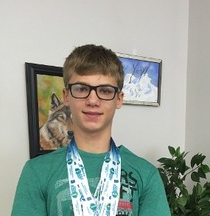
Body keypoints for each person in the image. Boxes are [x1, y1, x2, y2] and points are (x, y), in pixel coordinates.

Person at [11, 44, 171, 216]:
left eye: (105, 90)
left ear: (118, 99)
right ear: (66, 96)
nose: (93, 100)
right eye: (82, 89)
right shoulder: (36, 172)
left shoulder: (146, 174)